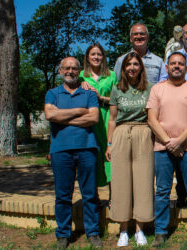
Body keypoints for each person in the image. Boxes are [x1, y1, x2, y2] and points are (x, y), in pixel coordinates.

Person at [147, 52, 187, 247]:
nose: (176, 66)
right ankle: (160, 231)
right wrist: (169, 142)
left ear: (186, 68)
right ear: (166, 68)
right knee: (163, 191)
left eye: (180, 64)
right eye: (173, 63)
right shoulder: (157, 89)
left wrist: (179, 141)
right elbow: (151, 120)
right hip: (162, 148)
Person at [44, 57, 102, 249]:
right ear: (60, 70)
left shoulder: (89, 93)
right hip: (61, 150)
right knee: (62, 194)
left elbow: (93, 117)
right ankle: (63, 233)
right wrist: (79, 111)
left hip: (87, 147)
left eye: (74, 68)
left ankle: (93, 232)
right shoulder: (52, 93)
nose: (70, 71)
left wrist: (63, 118)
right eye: (66, 68)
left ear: (79, 71)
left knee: (89, 193)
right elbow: (50, 115)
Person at [105, 52, 154, 247]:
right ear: (123, 68)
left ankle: (139, 229)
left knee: (143, 181)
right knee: (121, 182)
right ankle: (124, 229)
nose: (132, 67)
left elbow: (153, 115)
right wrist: (109, 143)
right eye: (128, 65)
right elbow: (112, 119)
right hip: (121, 134)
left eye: (136, 64)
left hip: (143, 133)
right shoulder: (117, 89)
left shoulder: (150, 89)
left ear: (141, 67)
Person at [79, 42, 117, 190]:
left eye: (99, 54)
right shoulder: (81, 76)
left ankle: (113, 196)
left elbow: (118, 100)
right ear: (87, 57)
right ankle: (93, 197)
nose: (96, 57)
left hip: (108, 116)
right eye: (93, 54)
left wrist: (100, 97)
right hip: (89, 119)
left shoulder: (112, 75)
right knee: (91, 156)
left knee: (110, 155)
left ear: (103, 57)